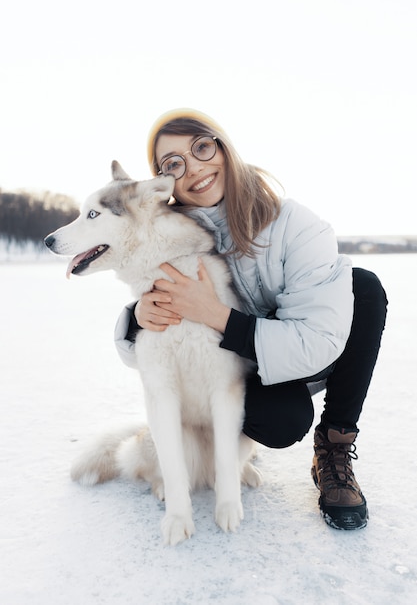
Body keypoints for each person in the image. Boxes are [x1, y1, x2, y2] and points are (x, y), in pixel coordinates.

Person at [114, 108, 388, 531]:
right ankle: (203, 448)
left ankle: (334, 447)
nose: (195, 168)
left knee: (363, 288)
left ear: (223, 147)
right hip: (235, 371)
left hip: (295, 354)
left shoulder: (295, 225)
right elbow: (150, 337)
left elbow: (315, 341)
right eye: (173, 164)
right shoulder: (170, 234)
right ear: (163, 183)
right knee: (282, 421)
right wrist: (138, 319)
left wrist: (214, 314)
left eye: (202, 147)